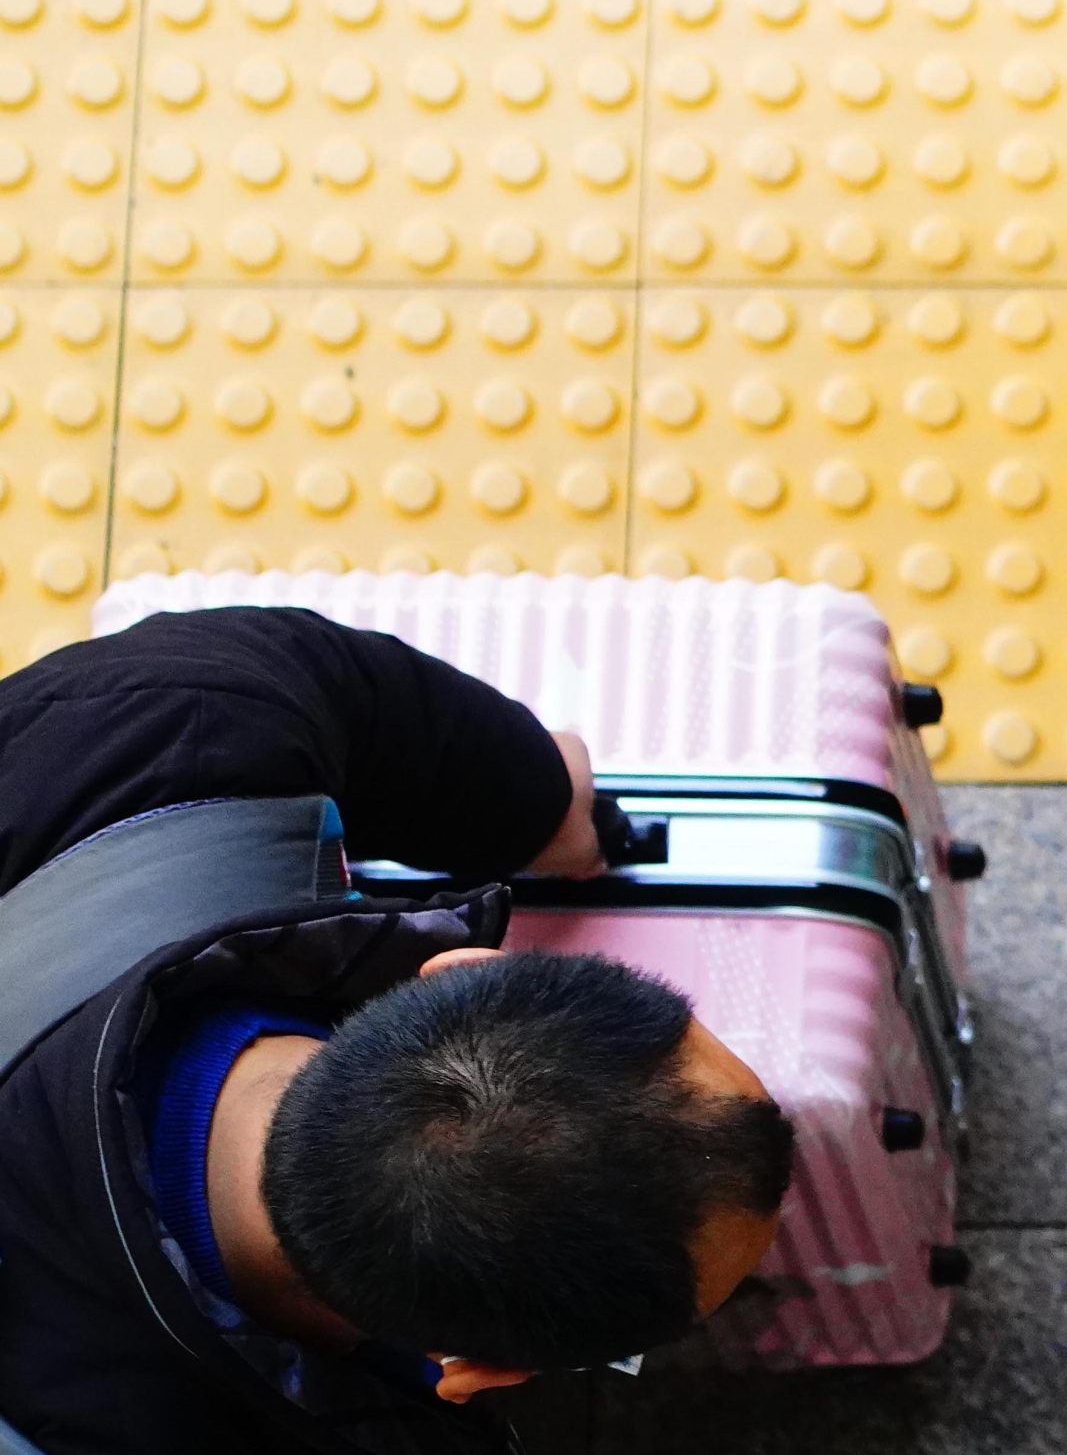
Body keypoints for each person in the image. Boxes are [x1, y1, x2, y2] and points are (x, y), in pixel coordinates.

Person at [0, 607, 795, 1451]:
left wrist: (541, 799)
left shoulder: (158, 726)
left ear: (470, 968)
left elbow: (341, 684)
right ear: (475, 1372)